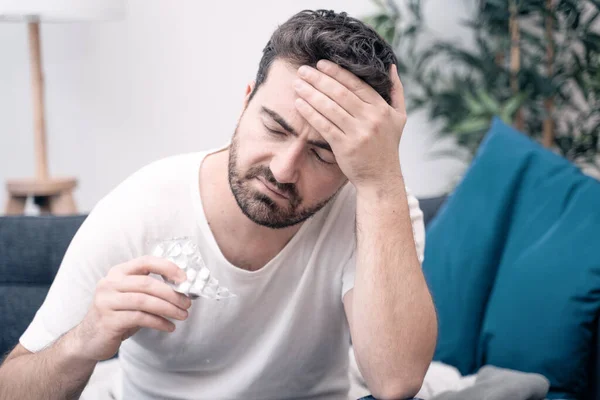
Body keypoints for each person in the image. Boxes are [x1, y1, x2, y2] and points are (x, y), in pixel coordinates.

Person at [0, 9, 436, 400]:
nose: (284, 169)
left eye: (323, 153)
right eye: (275, 128)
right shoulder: (142, 207)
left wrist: (380, 180)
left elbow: (395, 382)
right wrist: (84, 339)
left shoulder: (378, 206)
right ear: (246, 100)